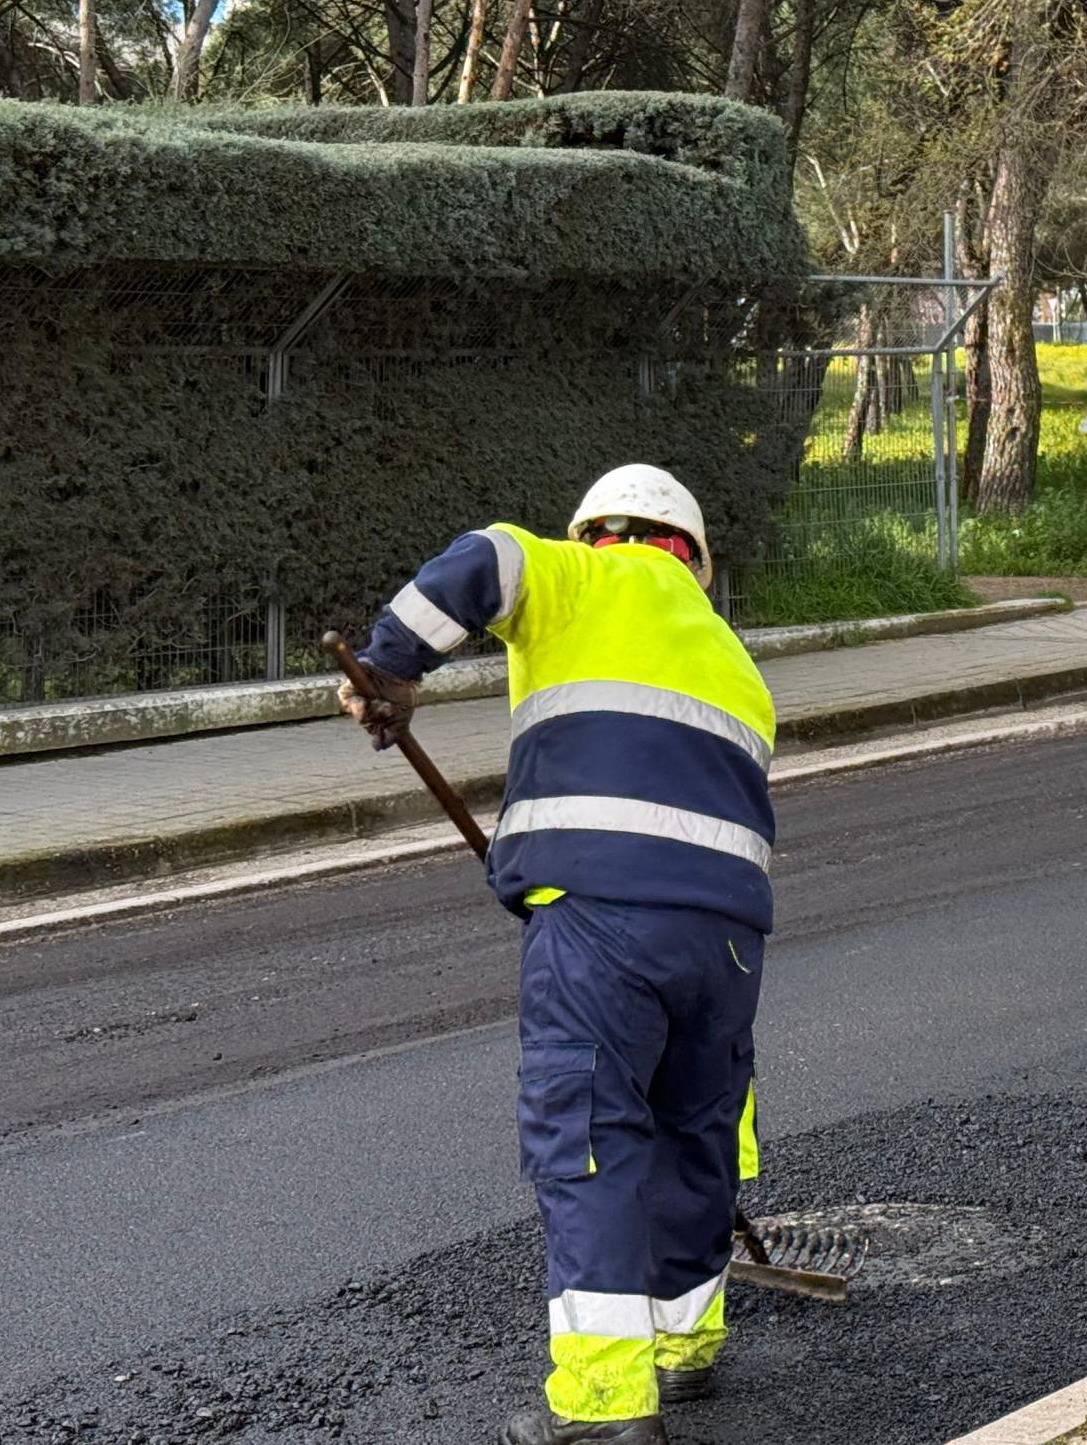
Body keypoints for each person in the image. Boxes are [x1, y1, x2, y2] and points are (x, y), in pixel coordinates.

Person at [339, 464, 774, 1445]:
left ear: (597, 532)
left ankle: (606, 1405)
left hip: (602, 922)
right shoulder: (738, 662)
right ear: (696, 560)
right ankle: (685, 1345)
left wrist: (393, 667)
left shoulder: (578, 575)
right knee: (696, 1130)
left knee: (589, 1139)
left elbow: (484, 557)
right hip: (731, 939)